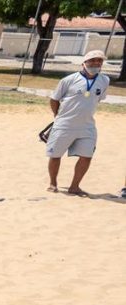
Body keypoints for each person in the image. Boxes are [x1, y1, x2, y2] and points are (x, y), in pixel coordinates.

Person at [46, 50, 110, 196]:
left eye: (99, 61)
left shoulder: (105, 80)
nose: (96, 63)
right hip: (64, 124)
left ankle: (74, 186)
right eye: (93, 60)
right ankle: (53, 183)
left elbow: (97, 99)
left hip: (87, 126)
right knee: (55, 154)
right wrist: (57, 116)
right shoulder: (68, 80)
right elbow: (54, 99)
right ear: (84, 63)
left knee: (87, 156)